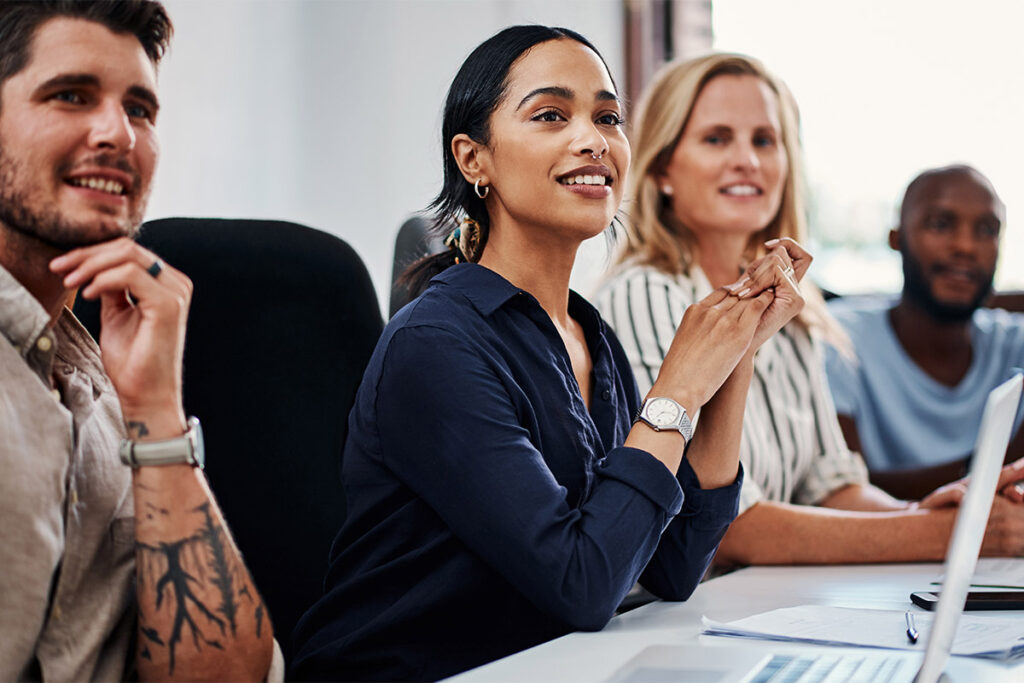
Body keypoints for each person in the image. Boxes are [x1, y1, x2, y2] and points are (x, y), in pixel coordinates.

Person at [290, 26, 806, 682]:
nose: (593, 139)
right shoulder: (435, 344)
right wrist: (675, 393)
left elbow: (673, 567)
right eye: (551, 115)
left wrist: (738, 349)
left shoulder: (590, 335)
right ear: (473, 160)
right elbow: (581, 583)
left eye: (608, 117)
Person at [595, 53, 1024, 572]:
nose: (747, 161)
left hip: (766, 602)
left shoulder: (793, 307)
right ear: (664, 169)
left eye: (764, 140)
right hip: (686, 607)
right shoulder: (646, 296)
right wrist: (954, 533)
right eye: (717, 139)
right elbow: (718, 526)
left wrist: (928, 512)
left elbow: (832, 486)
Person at [0, 2, 278, 680]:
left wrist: (155, 409)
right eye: (71, 95)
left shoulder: (101, 390)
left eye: (140, 109)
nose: (119, 133)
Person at [826, 165, 1024, 500]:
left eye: (987, 230)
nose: (965, 246)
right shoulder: (838, 338)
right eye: (940, 224)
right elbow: (839, 492)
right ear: (897, 239)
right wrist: (995, 467)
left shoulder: (1013, 343)